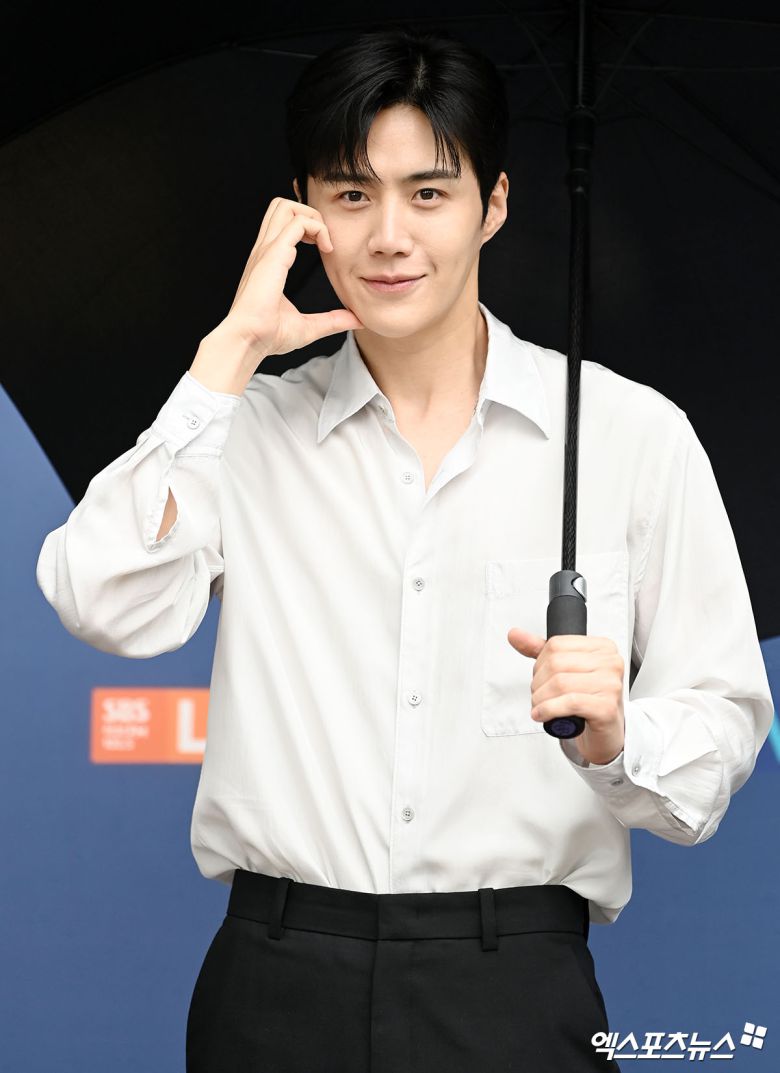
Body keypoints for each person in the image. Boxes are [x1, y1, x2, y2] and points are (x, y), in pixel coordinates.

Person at [35, 26, 773, 1073]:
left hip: (517, 984)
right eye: (351, 193)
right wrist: (225, 358)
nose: (389, 235)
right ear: (303, 210)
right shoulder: (244, 424)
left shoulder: (628, 436)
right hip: (276, 978)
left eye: (429, 192)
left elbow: (721, 726)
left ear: (494, 203)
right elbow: (99, 599)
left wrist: (617, 736)